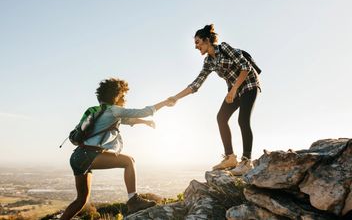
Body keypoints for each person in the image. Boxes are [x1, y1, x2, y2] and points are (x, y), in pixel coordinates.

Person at [61, 78, 174, 219]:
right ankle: (133, 200)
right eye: (123, 95)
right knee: (129, 161)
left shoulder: (100, 111)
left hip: (77, 157)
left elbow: (128, 120)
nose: (125, 99)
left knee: (81, 200)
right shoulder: (114, 110)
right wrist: (165, 102)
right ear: (116, 96)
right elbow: (143, 111)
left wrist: (145, 122)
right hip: (88, 155)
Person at [169, 24, 260, 176]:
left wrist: (233, 89)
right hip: (235, 90)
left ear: (206, 40)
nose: (196, 46)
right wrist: (176, 98)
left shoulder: (224, 48)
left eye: (197, 42)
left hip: (249, 84)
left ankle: (246, 162)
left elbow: (246, 67)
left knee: (243, 120)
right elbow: (196, 84)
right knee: (221, 117)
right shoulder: (208, 62)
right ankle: (230, 158)